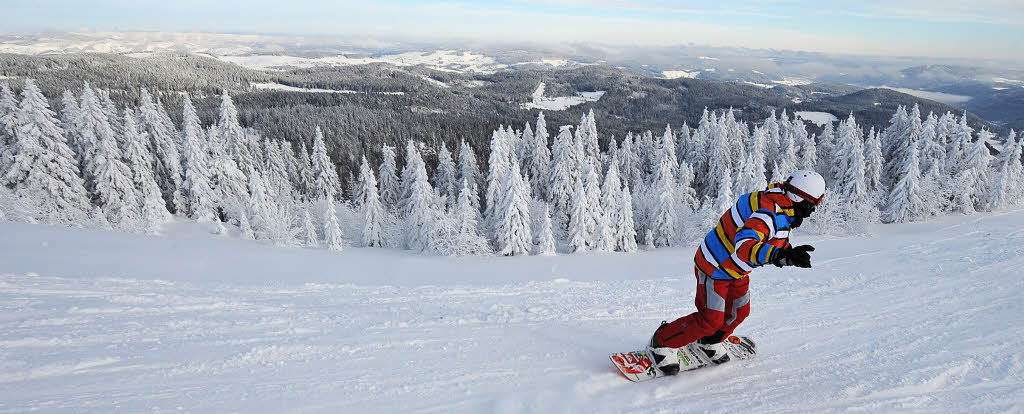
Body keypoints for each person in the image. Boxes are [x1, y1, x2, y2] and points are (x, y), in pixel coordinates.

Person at [648, 169, 826, 375]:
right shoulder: (768, 213)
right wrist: (781, 256)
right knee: (710, 319)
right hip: (715, 266)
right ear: (801, 199)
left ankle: (708, 342)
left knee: (739, 312)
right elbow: (745, 247)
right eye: (814, 204)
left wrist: (788, 253)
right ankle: (661, 342)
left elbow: (769, 239)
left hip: (736, 270)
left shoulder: (783, 209)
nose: (813, 210)